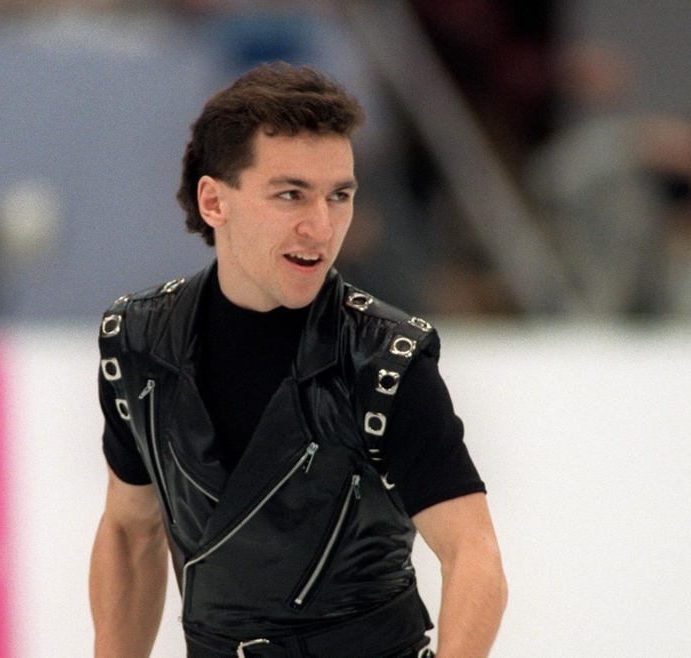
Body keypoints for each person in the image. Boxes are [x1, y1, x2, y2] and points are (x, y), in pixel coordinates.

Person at [90, 62, 507, 658]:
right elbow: (131, 531)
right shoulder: (138, 342)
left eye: (340, 195)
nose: (321, 226)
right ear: (214, 201)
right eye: (291, 194)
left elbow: (472, 552)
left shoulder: (384, 361)